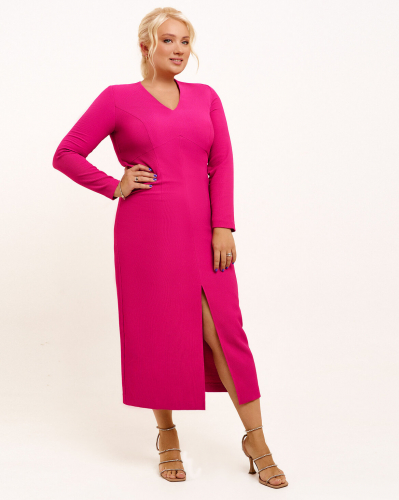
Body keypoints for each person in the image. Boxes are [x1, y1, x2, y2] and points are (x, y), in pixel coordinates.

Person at [52, 7, 287, 489]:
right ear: (146, 47)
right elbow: (66, 153)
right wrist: (113, 185)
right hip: (147, 234)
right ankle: (167, 435)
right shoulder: (117, 99)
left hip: (205, 232)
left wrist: (224, 226)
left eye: (185, 41)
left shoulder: (206, 97)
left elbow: (222, 162)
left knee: (225, 331)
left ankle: (257, 441)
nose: (179, 49)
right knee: (159, 330)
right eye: (168, 40)